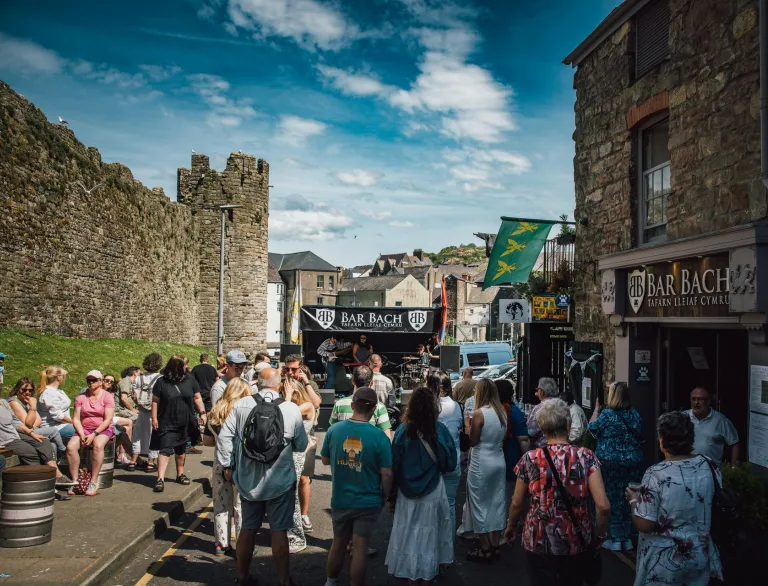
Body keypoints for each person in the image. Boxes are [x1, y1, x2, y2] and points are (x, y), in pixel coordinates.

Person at [217, 367, 308, 586]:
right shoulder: (290, 409)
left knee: (247, 529)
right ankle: (284, 580)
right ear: (279, 385)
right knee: (279, 531)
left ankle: (242, 576)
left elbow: (224, 438)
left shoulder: (241, 405)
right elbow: (301, 445)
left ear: (257, 382)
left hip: (248, 481)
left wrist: (227, 465)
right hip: (280, 481)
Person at [505, 398, 610, 586]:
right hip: (576, 539)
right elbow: (602, 505)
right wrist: (600, 536)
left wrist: (511, 525)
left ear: (542, 428)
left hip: (538, 538)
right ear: (568, 424)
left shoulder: (530, 458)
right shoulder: (586, 456)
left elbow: (517, 502)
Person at [627, 411, 723, 585]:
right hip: (700, 551)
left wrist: (634, 500)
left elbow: (645, 524)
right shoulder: (708, 464)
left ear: (663, 440)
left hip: (665, 560)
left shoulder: (655, 474)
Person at [322, 386, 393, 586]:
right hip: (368, 500)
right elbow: (387, 473)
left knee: (338, 543)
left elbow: (325, 459)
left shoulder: (334, 430)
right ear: (373, 410)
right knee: (361, 547)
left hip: (340, 498)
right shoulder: (380, 437)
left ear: (353, 405)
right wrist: (385, 495)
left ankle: (331, 581)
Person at [387, 385, 456, 584]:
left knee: (409, 534)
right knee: (429, 535)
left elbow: (394, 465)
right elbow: (450, 464)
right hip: (433, 489)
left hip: (406, 491)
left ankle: (410, 575)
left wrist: (391, 495)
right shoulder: (439, 430)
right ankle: (428, 574)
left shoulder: (402, 431)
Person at [588, 381, 643, 551]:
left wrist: (596, 409)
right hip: (632, 461)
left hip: (610, 463)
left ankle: (617, 537)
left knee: (612, 497)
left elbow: (592, 429)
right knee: (630, 497)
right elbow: (641, 433)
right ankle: (630, 535)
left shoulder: (607, 414)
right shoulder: (634, 414)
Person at [203, 378, 252, 556]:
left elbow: (206, 441)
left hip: (219, 463)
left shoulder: (214, 413)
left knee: (221, 504)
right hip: (241, 463)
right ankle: (242, 543)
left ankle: (221, 544)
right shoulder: (244, 413)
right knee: (241, 505)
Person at [464, 379, 508, 562]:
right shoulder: (502, 412)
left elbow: (473, 440)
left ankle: (485, 547)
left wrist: (468, 426)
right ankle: (496, 543)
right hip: (499, 459)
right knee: (497, 500)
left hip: (481, 460)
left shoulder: (478, 414)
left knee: (479, 501)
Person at [149, 355, 206, 493]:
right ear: (176, 367)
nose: (186, 367)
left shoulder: (190, 380)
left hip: (185, 421)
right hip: (167, 420)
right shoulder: (162, 382)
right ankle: (160, 479)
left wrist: (202, 412)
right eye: (183, 365)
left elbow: (197, 398)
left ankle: (180, 474)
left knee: (180, 450)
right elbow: (155, 401)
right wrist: (154, 418)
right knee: (165, 449)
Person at [283, 355, 322, 535]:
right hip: (284, 440)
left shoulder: (309, 384)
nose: (290, 373)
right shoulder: (281, 383)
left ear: (300, 368)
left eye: (293, 369)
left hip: (306, 438)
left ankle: (303, 515)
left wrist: (306, 382)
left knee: (304, 478)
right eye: (287, 369)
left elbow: (315, 403)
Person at [0, 397, 74, 486]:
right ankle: (43, 481)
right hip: (6, 440)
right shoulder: (13, 402)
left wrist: (31, 434)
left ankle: (57, 476)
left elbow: (16, 422)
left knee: (43, 441)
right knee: (32, 452)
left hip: (16, 433)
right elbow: (28, 423)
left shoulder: (3, 402)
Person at [65, 370, 115, 496]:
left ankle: (93, 481)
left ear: (100, 382)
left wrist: (94, 434)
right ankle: (75, 481)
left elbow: (108, 419)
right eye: (89, 380)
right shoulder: (81, 397)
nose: (91, 382)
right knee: (71, 447)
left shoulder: (107, 397)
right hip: (85, 428)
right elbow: (76, 418)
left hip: (103, 428)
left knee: (98, 445)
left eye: (94, 380)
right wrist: (82, 434)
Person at [283, 377, 316, 554]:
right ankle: (289, 532)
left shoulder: (306, 406)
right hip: (288, 454)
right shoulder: (290, 406)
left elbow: (286, 413)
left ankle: (297, 536)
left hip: (296, 455)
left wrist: (287, 397)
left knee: (292, 496)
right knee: (287, 496)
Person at [428, 370, 463, 532]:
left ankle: (433, 545)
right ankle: (448, 545)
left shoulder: (431, 407)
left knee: (430, 507)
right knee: (449, 504)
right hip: (453, 460)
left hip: (432, 462)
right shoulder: (457, 406)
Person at [7, 378, 67, 459]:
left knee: (52, 445)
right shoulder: (14, 402)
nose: (27, 393)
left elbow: (38, 420)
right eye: (24, 390)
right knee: (53, 431)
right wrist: (33, 406)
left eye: (30, 390)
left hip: (31, 430)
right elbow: (28, 424)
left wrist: (33, 425)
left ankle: (51, 468)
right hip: (21, 434)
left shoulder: (26, 401)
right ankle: (64, 452)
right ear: (17, 389)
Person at [329, 365, 392, 440]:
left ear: (353, 381)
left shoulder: (339, 404)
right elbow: (386, 438)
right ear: (371, 383)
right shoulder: (379, 407)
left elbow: (332, 432)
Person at [685, 386, 740, 467]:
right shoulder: (682, 417)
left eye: (700, 399)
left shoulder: (721, 420)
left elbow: (735, 444)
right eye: (693, 399)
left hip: (711, 472)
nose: (696, 402)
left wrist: (733, 468)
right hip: (686, 469)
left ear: (708, 401)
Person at [128, 353, 163, 472]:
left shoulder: (139, 377)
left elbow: (133, 395)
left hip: (141, 409)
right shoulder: (159, 378)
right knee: (153, 436)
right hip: (155, 411)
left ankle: (133, 461)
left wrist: (139, 403)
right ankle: (150, 462)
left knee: (137, 435)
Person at [496, 379, 530, 498]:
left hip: (493, 461)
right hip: (511, 460)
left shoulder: (490, 411)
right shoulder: (514, 411)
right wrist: (527, 464)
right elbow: (523, 440)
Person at [37, 365, 76, 443]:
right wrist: (74, 422)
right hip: (54, 427)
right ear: (58, 377)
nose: (64, 378)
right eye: (63, 376)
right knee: (85, 432)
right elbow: (57, 416)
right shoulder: (49, 393)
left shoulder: (56, 391)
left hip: (63, 424)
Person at [527, 377, 560, 448]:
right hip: (561, 447)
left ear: (541, 392)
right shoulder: (562, 406)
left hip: (543, 449)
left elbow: (530, 431)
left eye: (538, 389)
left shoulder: (539, 408)